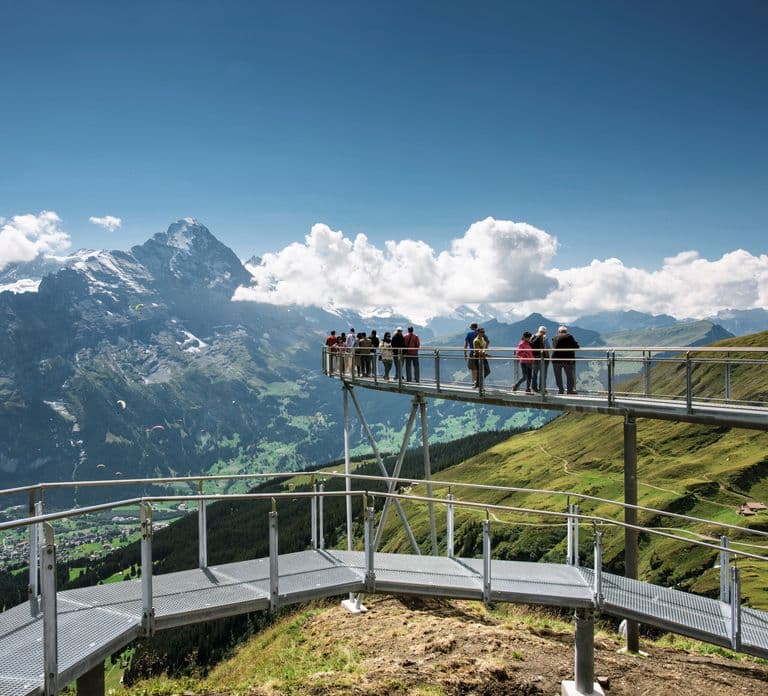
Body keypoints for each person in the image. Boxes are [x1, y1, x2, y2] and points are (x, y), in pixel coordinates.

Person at [552, 325, 580, 394]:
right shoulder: (569, 336)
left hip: (555, 359)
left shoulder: (555, 337)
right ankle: (570, 390)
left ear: (558, 331)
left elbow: (554, 346)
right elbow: (576, 346)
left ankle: (560, 390)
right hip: (566, 359)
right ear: (566, 331)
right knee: (569, 375)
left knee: (558, 375)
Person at [530, 325, 550, 392]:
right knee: (543, 374)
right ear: (545, 332)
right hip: (542, 358)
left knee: (534, 374)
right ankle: (542, 389)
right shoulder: (544, 337)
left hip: (534, 358)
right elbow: (548, 347)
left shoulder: (533, 337)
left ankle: (534, 388)